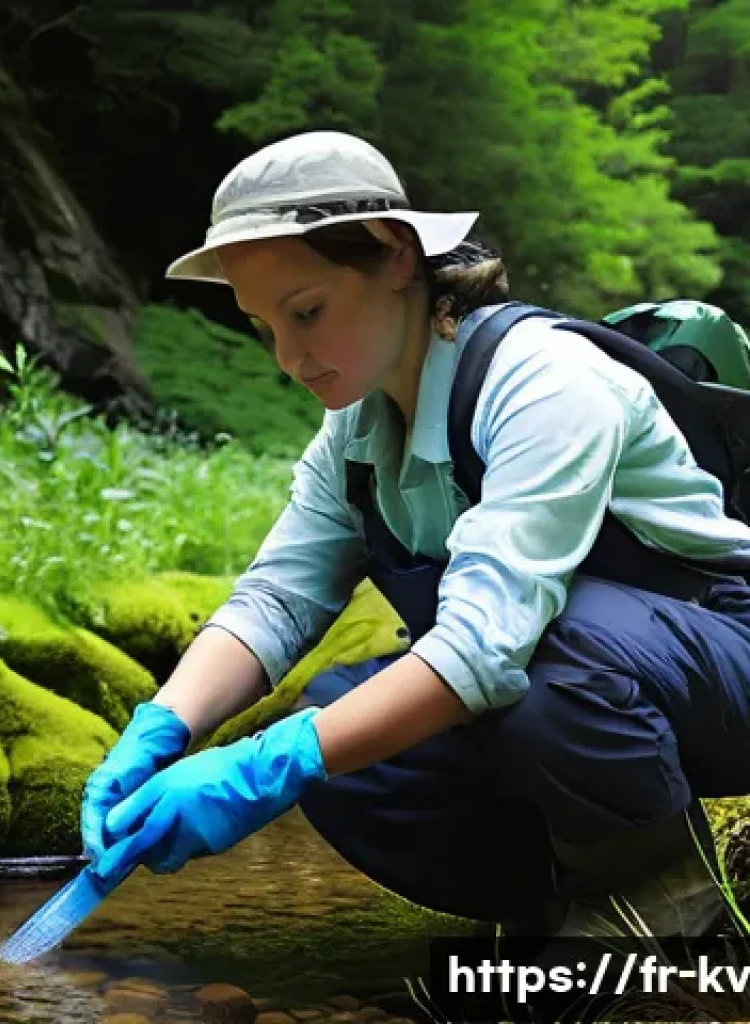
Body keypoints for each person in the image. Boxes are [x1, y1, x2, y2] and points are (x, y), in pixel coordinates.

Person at [80, 129, 750, 941]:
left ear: (398, 256)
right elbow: (277, 599)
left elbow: (480, 647)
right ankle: (557, 896)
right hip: (602, 683)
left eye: (308, 313)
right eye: (265, 328)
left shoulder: (544, 382)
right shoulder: (359, 432)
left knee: (537, 653)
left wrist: (264, 765)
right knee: (339, 725)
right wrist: (163, 727)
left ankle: (664, 886)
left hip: (719, 664)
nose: (290, 358)